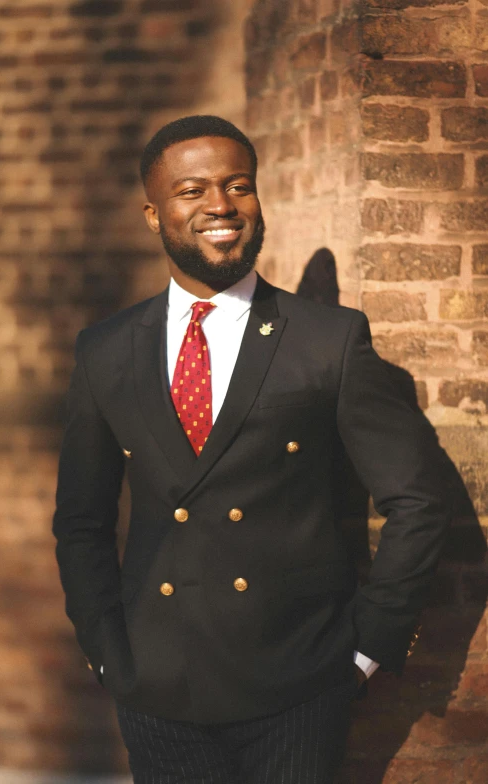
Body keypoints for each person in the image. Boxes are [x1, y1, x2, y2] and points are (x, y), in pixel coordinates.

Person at [53, 115, 449, 783]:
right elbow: (81, 521)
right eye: (192, 190)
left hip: (297, 688)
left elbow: (419, 499)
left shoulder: (329, 339)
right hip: (156, 691)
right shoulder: (106, 350)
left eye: (239, 185)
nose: (220, 206)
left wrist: (365, 651)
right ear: (153, 214)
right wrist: (104, 650)